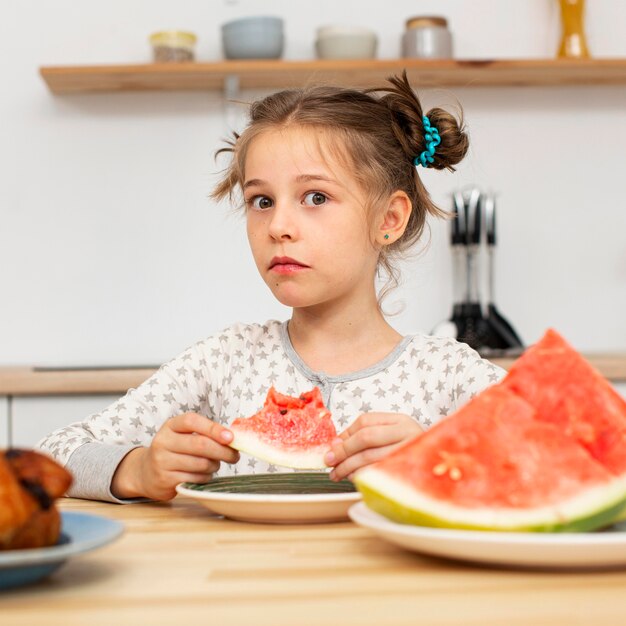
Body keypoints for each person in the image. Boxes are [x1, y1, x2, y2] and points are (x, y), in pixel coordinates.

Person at [37, 73, 504, 503]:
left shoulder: (446, 373)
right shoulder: (225, 361)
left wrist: (444, 464)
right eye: (261, 201)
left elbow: (570, 458)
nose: (278, 226)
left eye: (315, 197)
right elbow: (53, 454)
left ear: (389, 219)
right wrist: (137, 470)